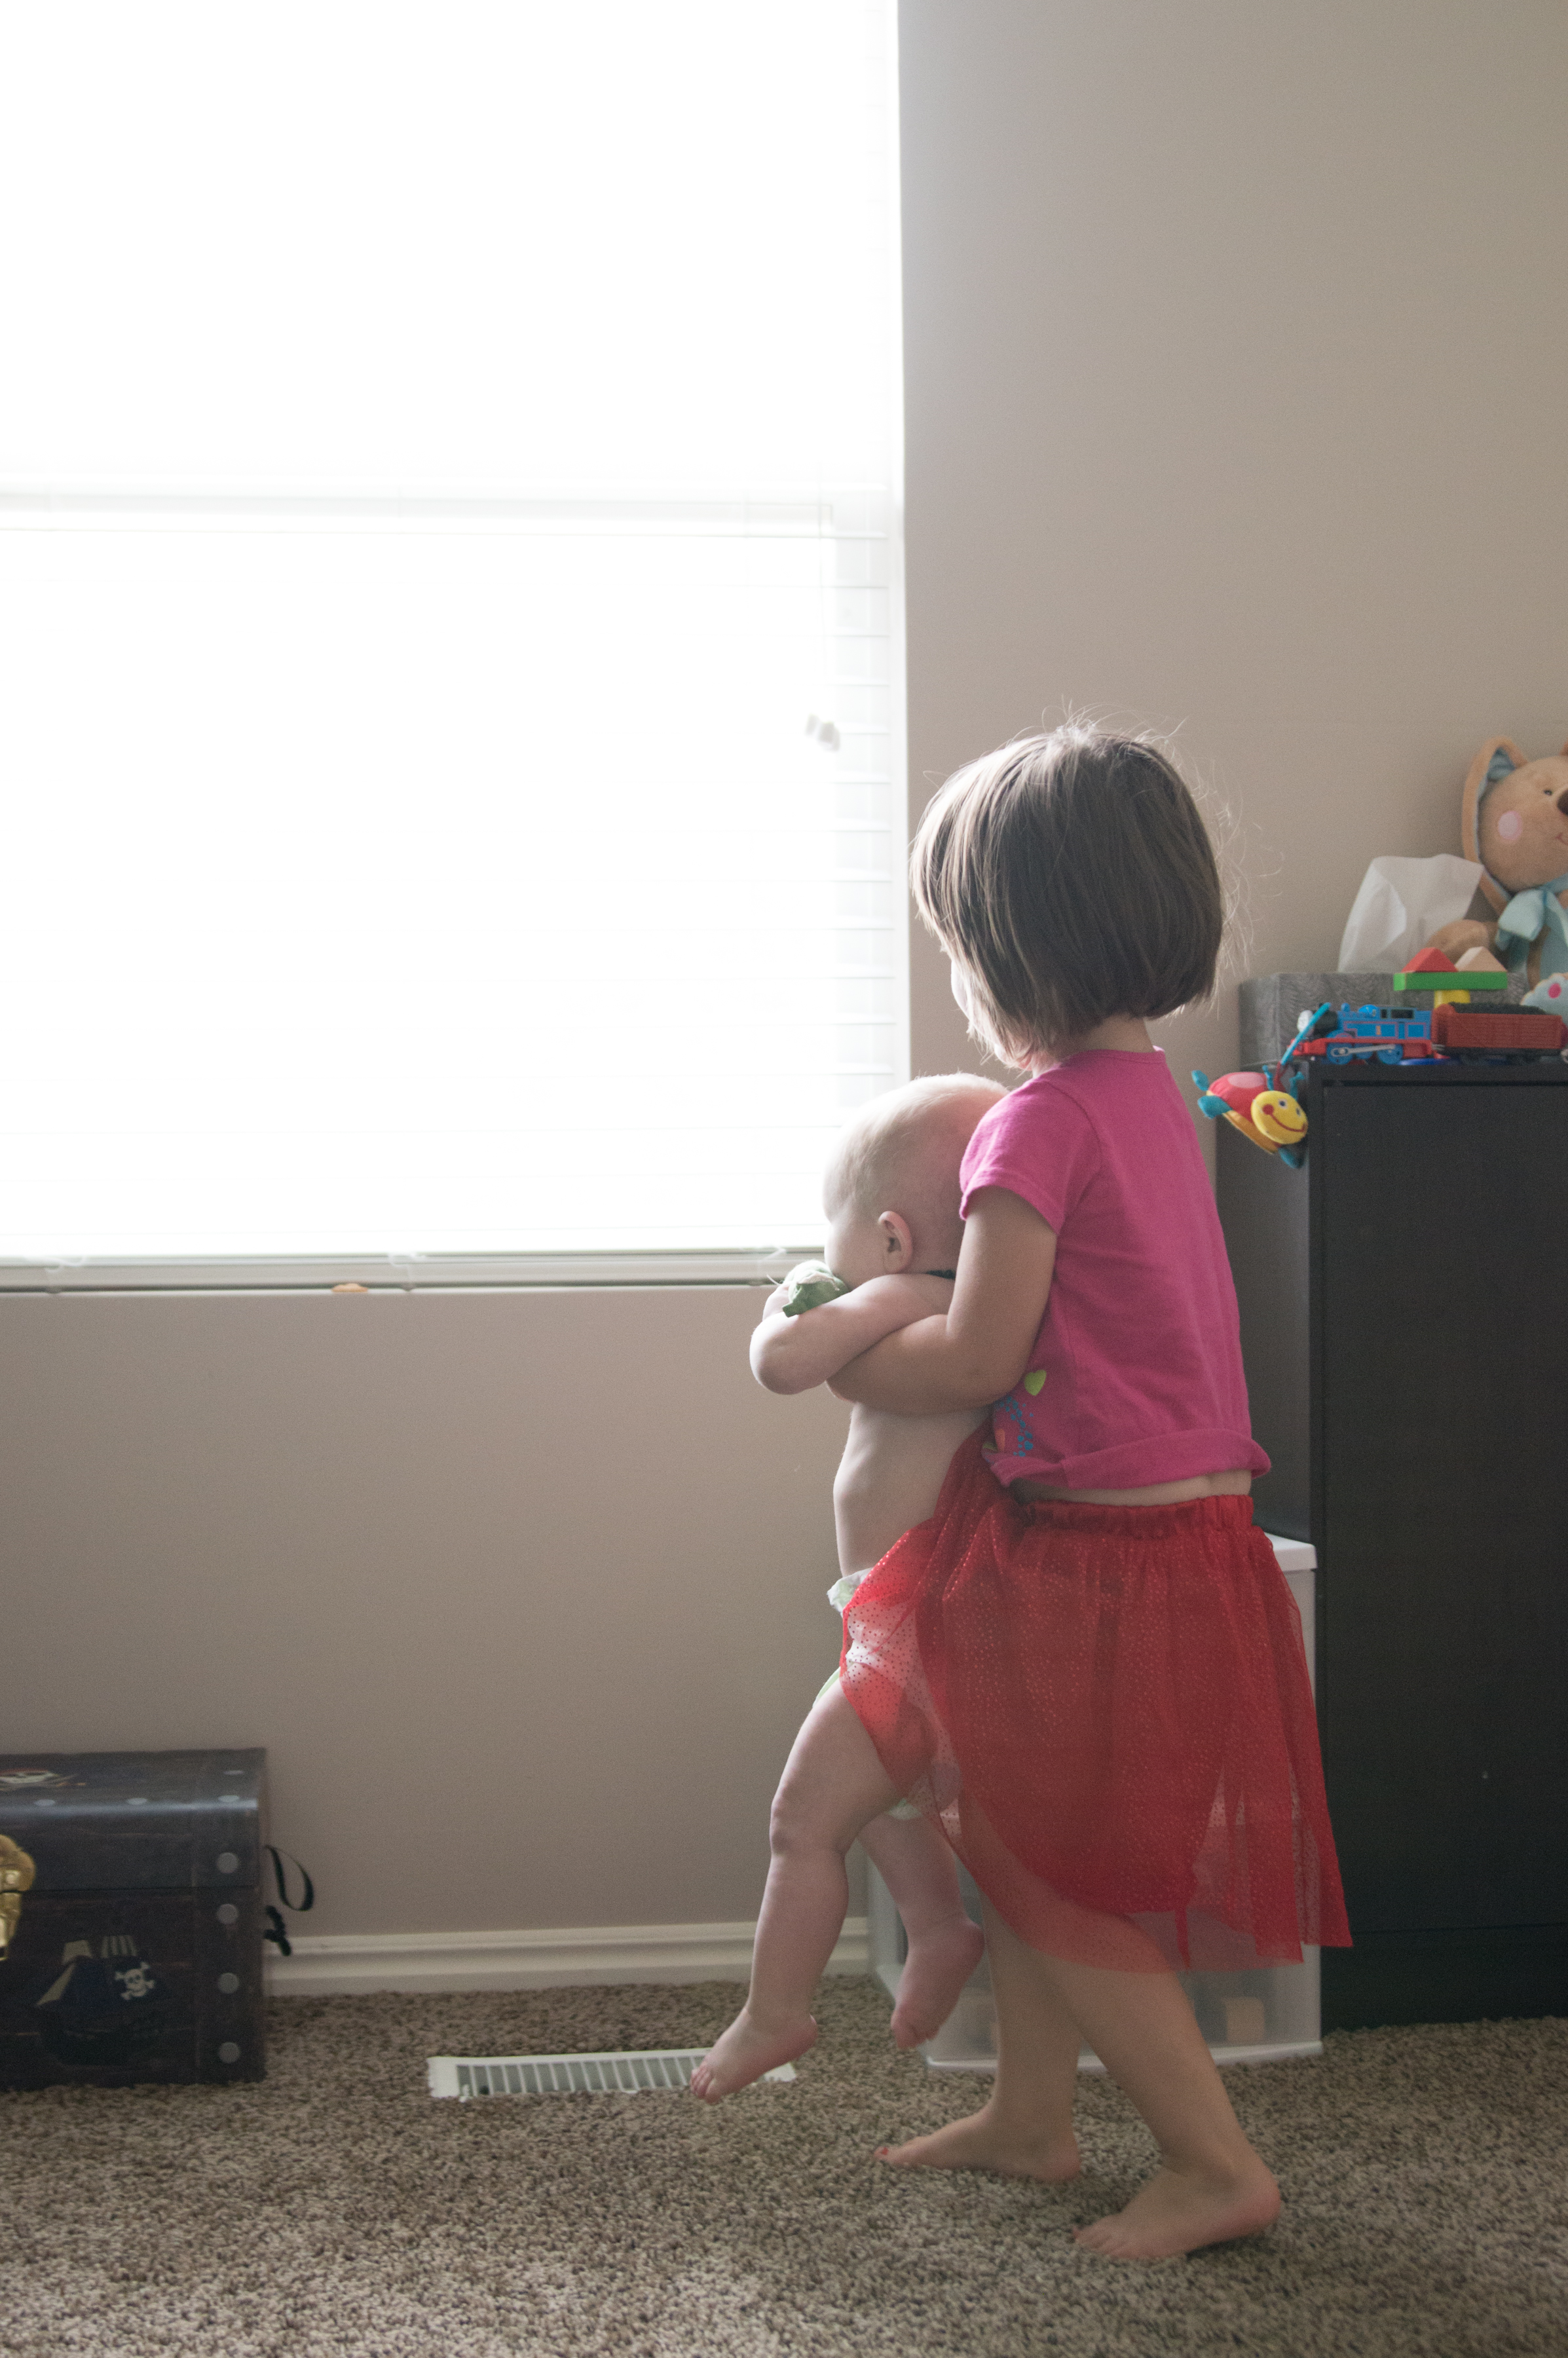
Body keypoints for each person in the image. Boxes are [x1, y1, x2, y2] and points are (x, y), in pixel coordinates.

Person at [696, 722, 1349, 2263]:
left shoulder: (1034, 1125)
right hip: (1175, 1537)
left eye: (955, 945)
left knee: (1057, 1885)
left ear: (1003, 951)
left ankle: (1213, 2165)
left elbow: (981, 1355)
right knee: (1015, 1845)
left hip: (1101, 1559)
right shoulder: (1155, 1097)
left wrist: (852, 1354)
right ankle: (1032, 2116)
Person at [690, 1074, 1003, 2093]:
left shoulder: (902, 1297)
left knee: (801, 1822)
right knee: (883, 1798)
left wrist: (791, 1301)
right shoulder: (977, 1310)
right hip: (903, 1614)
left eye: (834, 1236)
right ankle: (938, 1928)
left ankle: (774, 2013)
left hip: (915, 1621)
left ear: (890, 1238)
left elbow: (783, 1366)